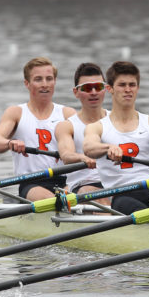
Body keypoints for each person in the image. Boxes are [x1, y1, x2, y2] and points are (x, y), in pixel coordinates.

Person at [83, 61, 149, 214]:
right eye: (122, 85)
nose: (128, 90)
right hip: (122, 195)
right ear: (110, 89)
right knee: (125, 203)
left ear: (138, 88)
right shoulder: (97, 127)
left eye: (132, 85)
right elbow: (89, 147)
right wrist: (108, 147)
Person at [0, 57, 77, 200]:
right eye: (38, 79)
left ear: (55, 82)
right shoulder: (16, 113)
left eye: (49, 79)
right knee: (55, 202)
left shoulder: (68, 114)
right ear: (27, 84)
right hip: (32, 183)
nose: (45, 84)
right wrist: (10, 143)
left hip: (66, 180)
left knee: (86, 196)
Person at [54, 62, 107, 198]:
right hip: (84, 185)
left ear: (106, 89)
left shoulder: (117, 120)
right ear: (76, 92)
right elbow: (66, 155)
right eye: (87, 88)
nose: (94, 92)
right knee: (98, 195)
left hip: (118, 182)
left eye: (98, 87)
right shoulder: (67, 126)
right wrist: (82, 158)